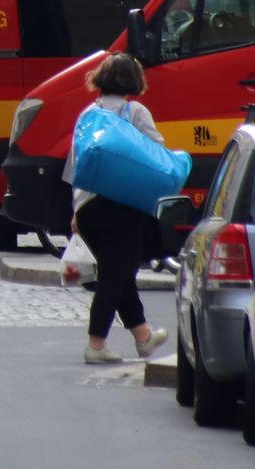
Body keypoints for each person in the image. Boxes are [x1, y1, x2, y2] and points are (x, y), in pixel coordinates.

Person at [73, 53, 170, 363]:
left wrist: (75, 210)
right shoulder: (136, 112)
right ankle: (96, 344)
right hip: (123, 206)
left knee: (118, 272)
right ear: (133, 80)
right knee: (113, 276)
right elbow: (158, 151)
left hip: (89, 207)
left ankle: (143, 336)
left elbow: (76, 165)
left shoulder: (89, 113)